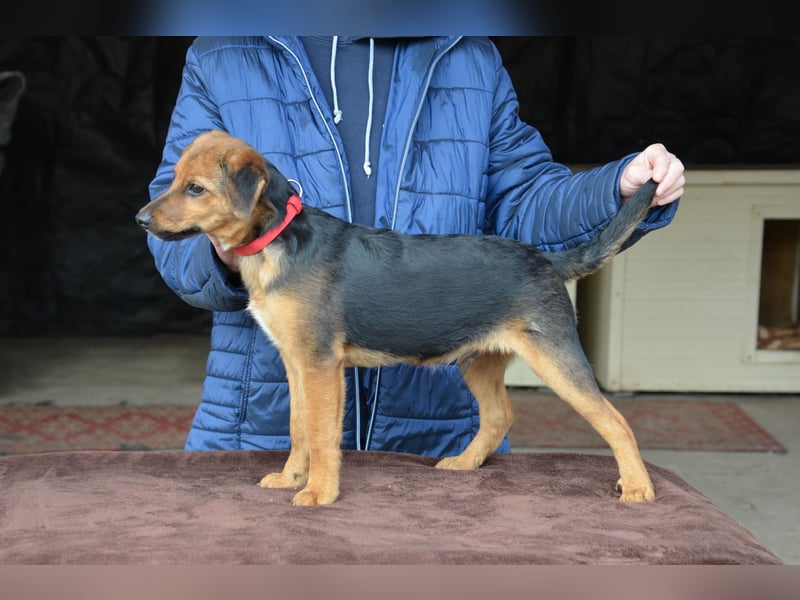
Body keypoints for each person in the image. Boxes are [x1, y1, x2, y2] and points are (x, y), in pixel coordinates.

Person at [146, 36, 684, 455]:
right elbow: (172, 227)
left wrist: (615, 191)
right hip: (258, 436)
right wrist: (229, 242)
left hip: (436, 438)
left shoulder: (466, 53)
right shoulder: (224, 51)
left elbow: (525, 200)